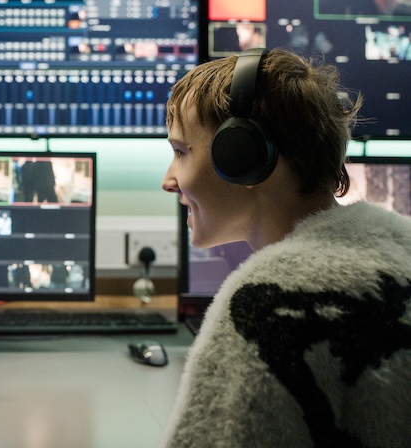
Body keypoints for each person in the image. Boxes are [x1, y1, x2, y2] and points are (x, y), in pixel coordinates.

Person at [160, 48, 411, 448]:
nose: (169, 179)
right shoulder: (399, 259)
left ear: (243, 156)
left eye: (180, 152)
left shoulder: (268, 309)